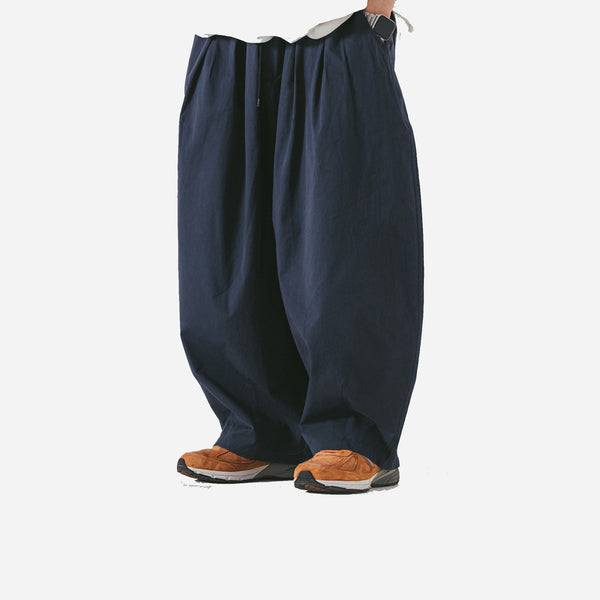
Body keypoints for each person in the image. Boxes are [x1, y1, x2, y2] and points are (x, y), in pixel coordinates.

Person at [176, 0, 423, 493]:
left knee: (342, 246)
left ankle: (355, 436)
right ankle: (260, 430)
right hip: (224, 30)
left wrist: (375, 14)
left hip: (334, 25)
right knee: (223, 248)